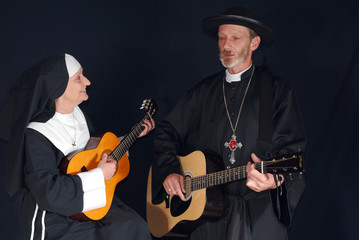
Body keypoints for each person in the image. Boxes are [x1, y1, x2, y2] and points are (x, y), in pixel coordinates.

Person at [151, 7, 306, 240]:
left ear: (254, 43)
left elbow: (292, 150)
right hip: (207, 212)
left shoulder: (276, 91)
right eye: (222, 38)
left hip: (257, 212)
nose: (226, 45)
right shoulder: (204, 91)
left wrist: (274, 179)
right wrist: (170, 171)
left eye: (235, 37)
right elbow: (166, 130)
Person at [0, 54, 154, 240]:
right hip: (53, 216)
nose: (87, 82)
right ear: (59, 87)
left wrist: (129, 138)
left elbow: (91, 154)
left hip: (89, 201)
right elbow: (49, 192)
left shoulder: (77, 115)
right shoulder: (36, 134)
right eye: (79, 78)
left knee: (134, 227)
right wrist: (99, 175)